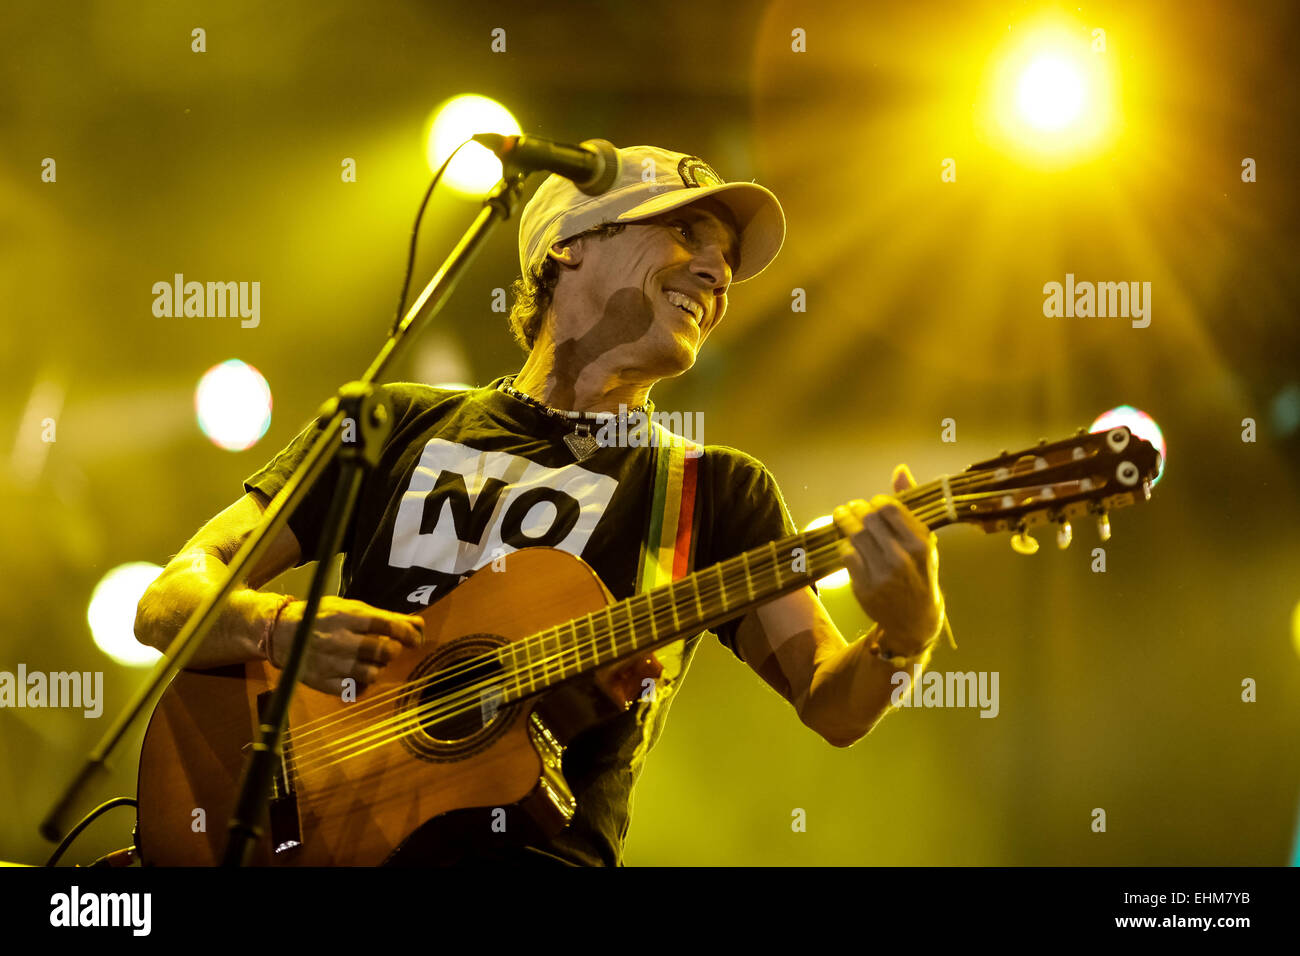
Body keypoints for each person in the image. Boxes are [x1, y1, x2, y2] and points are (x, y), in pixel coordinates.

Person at [134, 144, 947, 866]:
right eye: (687, 235)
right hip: (311, 832)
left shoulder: (718, 490)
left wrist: (904, 637)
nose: (717, 271)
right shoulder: (392, 421)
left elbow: (833, 706)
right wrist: (282, 631)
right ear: (568, 244)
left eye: (726, 258)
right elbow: (167, 602)